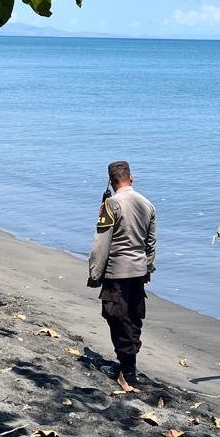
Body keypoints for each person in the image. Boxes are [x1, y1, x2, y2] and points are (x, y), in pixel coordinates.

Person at [87, 160, 157, 393]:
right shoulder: (148, 205)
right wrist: (148, 268)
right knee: (133, 317)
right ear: (132, 178)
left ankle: (127, 373)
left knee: (117, 317)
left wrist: (95, 272)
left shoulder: (112, 205)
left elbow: (102, 242)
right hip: (138, 270)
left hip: (117, 270)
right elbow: (151, 242)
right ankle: (128, 366)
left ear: (111, 181)